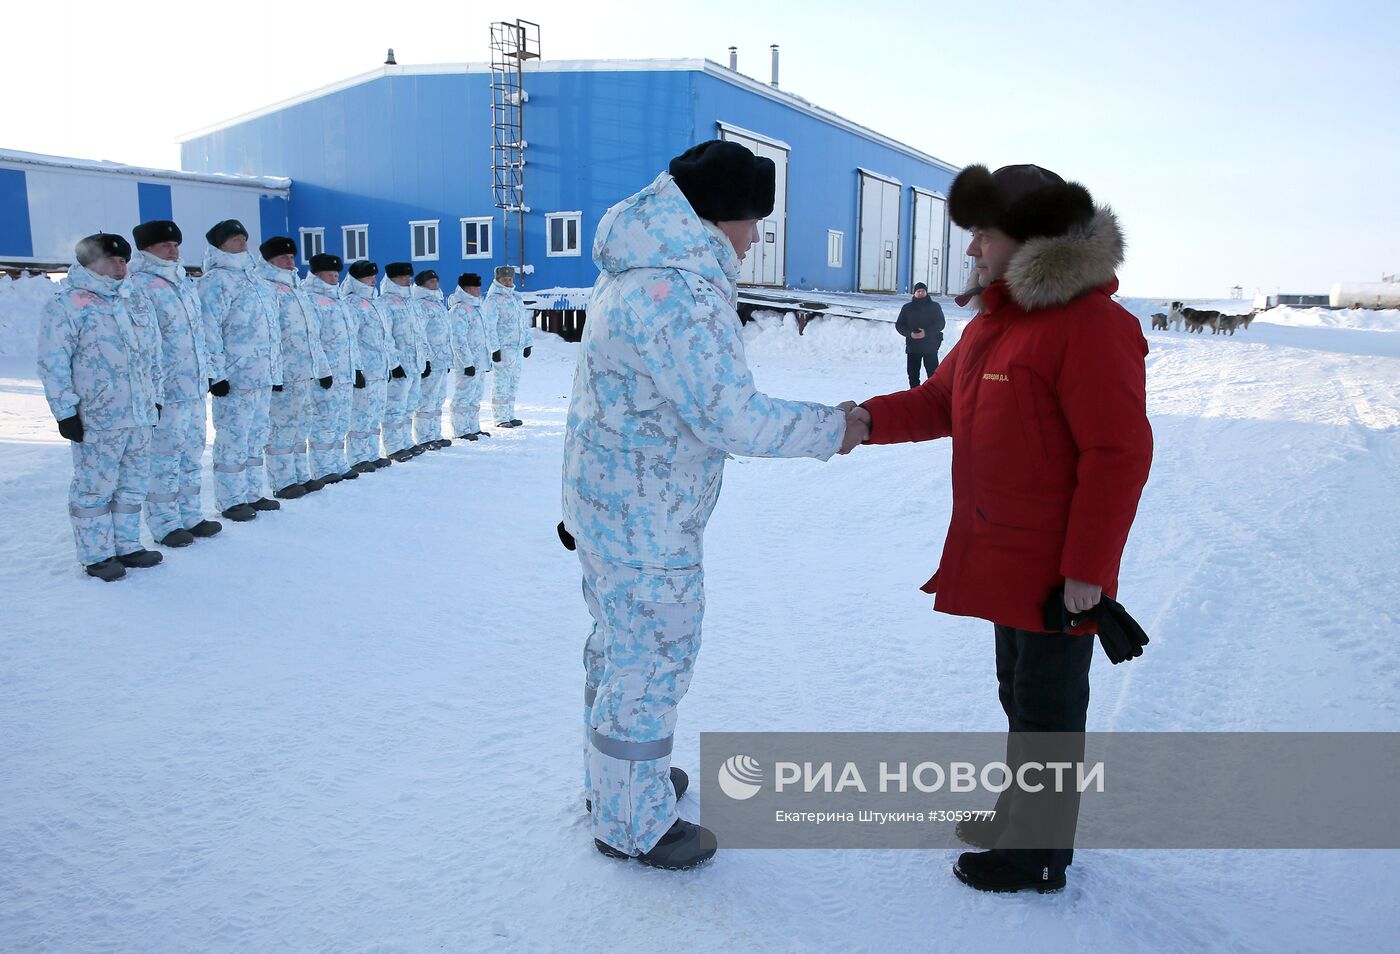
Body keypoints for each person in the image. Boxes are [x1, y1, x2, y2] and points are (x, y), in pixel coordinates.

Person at [843, 163, 1153, 893]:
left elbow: (1119, 454)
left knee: (1049, 709)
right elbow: (939, 403)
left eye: (984, 233)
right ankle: (1021, 815)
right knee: (1019, 694)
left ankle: (1038, 853)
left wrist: (1089, 570)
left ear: (1032, 238)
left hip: (1056, 571)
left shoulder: (1093, 327)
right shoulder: (993, 325)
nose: (973, 249)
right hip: (1004, 556)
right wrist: (866, 419)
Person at [562, 140, 864, 870]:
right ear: (717, 217)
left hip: (611, 506)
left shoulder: (634, 274)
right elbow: (734, 417)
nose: (756, 236)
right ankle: (632, 823)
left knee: (617, 649)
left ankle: (617, 787)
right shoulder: (678, 294)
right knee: (651, 661)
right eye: (752, 220)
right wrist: (837, 427)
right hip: (646, 519)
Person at [38, 233, 164, 580]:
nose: (120, 266)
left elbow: (153, 356)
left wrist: (156, 398)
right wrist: (65, 412)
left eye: (123, 260)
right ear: (89, 262)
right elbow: (53, 362)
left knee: (132, 485)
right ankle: (97, 556)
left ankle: (128, 546)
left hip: (138, 414)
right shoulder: (68, 304)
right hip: (98, 417)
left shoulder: (135, 301)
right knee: (95, 486)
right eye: (111, 260)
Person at [126, 219, 221, 546]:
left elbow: (200, 335)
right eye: (166, 245)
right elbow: (141, 344)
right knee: (164, 458)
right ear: (146, 248)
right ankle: (166, 523)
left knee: (191, 454)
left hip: (193, 388)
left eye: (176, 244)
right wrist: (150, 391)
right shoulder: (139, 285)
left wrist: (208, 371)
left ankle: (190, 515)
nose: (173, 250)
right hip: (165, 391)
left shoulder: (182, 283)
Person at [198, 219, 282, 523]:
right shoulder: (214, 282)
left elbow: (273, 332)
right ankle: (231, 499)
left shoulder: (259, 282)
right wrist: (215, 374)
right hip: (234, 377)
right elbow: (209, 331)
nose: (242, 244)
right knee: (233, 438)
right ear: (219, 245)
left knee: (257, 436)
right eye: (235, 239)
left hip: (261, 375)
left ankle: (252, 492)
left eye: (244, 238)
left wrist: (276, 372)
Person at [258, 236, 331, 497]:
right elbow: (269, 334)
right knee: (281, 428)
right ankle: (283, 481)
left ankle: (301, 474)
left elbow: (313, 335)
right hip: (284, 373)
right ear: (269, 261)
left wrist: (322, 369)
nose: (289, 262)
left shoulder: (297, 289)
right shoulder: (266, 288)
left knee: (301, 426)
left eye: (291, 257)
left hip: (304, 372)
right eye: (282, 258)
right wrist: (274, 372)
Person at [304, 253, 360, 482]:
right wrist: (322, 370)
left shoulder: (340, 301)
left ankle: (338, 462)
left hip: (345, 373)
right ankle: (323, 467)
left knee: (340, 421)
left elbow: (350, 340)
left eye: (337, 273)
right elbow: (312, 339)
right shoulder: (311, 299)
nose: (335, 277)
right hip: (327, 374)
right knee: (324, 422)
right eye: (330, 273)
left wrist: (356, 367)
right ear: (317, 274)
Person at [341, 260, 394, 472]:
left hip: (380, 368)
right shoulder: (352, 303)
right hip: (365, 368)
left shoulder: (377, 303)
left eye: (374, 276)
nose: (373, 280)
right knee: (361, 415)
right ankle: (358, 457)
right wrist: (356, 368)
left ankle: (371, 453)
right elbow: (350, 339)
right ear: (356, 279)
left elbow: (385, 338)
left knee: (375, 414)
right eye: (368, 277)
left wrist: (390, 363)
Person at [379, 262, 426, 462]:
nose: (408, 280)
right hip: (400, 365)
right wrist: (393, 363)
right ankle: (393, 446)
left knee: (409, 405)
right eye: (403, 276)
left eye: (409, 276)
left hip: (415, 363)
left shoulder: (411, 302)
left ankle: (405, 441)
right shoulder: (386, 303)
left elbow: (420, 334)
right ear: (392, 278)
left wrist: (426, 359)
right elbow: (385, 336)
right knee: (394, 407)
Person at [446, 272, 495, 441]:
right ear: (467, 289)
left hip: (480, 361)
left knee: (475, 397)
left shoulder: (477, 309)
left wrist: (487, 358)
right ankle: (460, 430)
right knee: (463, 396)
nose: (478, 291)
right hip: (467, 363)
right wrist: (467, 362)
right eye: (475, 287)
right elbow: (457, 339)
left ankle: (473, 427)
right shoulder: (459, 310)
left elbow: (485, 335)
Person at [412, 269, 455, 449]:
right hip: (430, 359)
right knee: (426, 400)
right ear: (422, 284)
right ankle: (424, 437)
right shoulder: (420, 304)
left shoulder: (437, 303)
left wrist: (448, 358)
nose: (435, 284)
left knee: (438, 399)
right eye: (430, 281)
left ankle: (434, 433)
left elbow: (445, 333)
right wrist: (426, 359)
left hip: (441, 359)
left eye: (436, 280)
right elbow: (420, 334)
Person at [484, 264, 531, 427]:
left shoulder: (516, 297)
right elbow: (489, 326)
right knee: (501, 383)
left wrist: (527, 343)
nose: (508, 282)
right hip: (503, 349)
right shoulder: (492, 300)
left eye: (510, 279)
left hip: (516, 348)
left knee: (513, 383)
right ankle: (500, 417)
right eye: (505, 279)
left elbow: (524, 322)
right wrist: (494, 348)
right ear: (497, 280)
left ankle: (509, 414)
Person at [895, 281, 945, 388]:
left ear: (926, 293)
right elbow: (899, 325)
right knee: (913, 376)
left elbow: (941, 323)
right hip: (913, 347)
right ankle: (914, 397)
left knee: (933, 375)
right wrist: (910, 334)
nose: (921, 293)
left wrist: (926, 333)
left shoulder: (934, 306)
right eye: (918, 291)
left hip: (930, 347)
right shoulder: (907, 308)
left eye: (923, 291)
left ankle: (934, 397)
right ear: (914, 293)